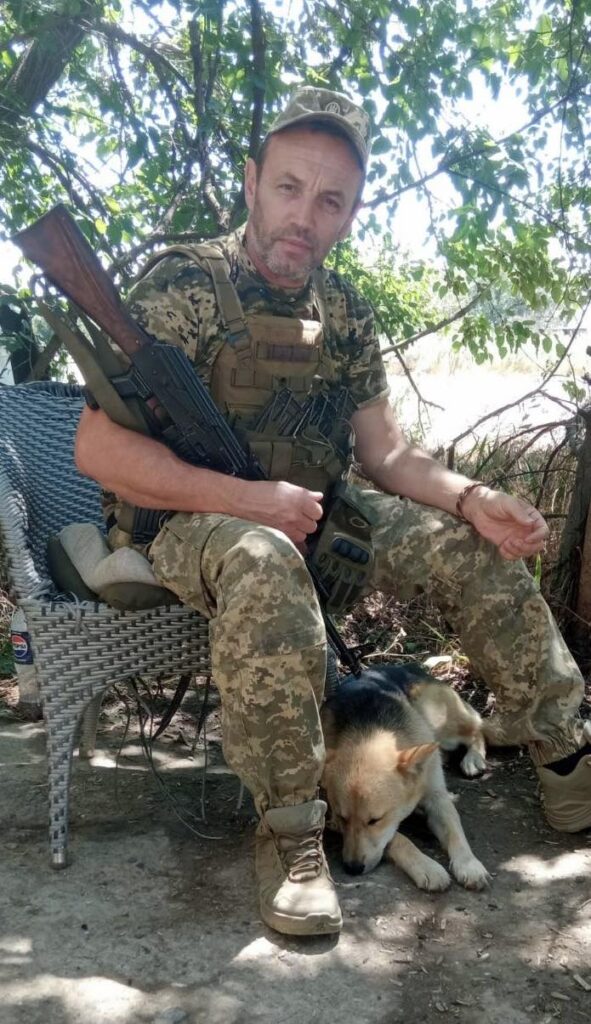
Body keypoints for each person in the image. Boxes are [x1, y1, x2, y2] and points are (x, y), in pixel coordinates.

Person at [75, 87, 591, 938]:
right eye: (288, 187)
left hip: (314, 509)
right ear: (252, 182)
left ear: (349, 213)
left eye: (330, 200)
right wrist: (247, 501)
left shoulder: (344, 309)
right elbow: (98, 451)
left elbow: (384, 454)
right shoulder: (184, 283)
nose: (303, 216)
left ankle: (564, 755)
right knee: (263, 558)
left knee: (467, 545)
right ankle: (291, 833)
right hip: (192, 521)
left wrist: (472, 497)